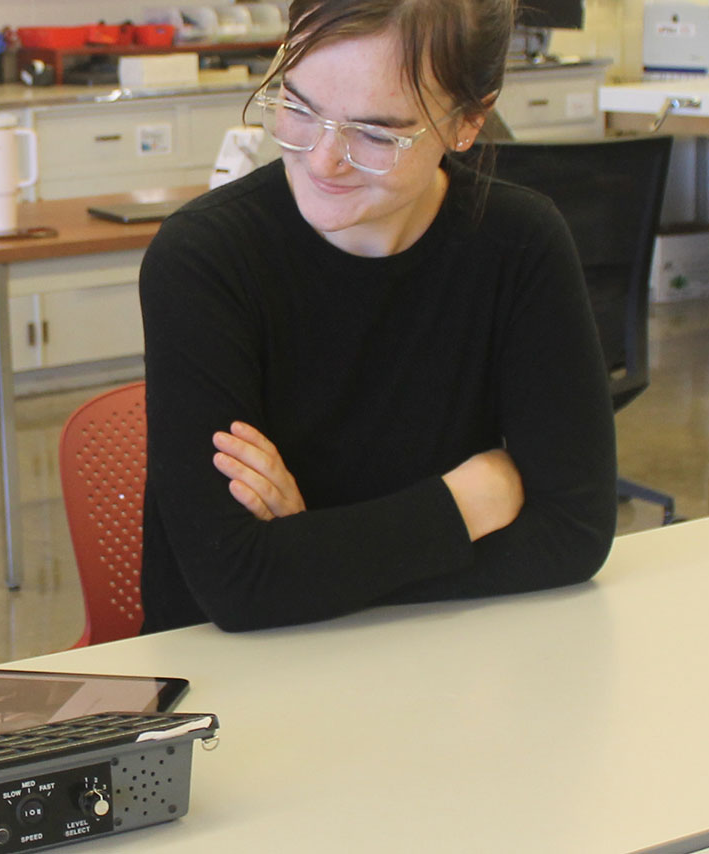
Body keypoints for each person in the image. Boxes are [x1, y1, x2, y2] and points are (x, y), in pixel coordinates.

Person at [137, 0, 616, 633]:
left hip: (445, 669)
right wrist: (465, 504)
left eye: (375, 133)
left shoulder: (520, 244)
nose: (322, 160)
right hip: (235, 684)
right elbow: (235, 585)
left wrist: (313, 553)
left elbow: (573, 534)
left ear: (467, 123)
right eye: (300, 107)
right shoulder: (204, 260)